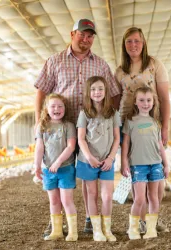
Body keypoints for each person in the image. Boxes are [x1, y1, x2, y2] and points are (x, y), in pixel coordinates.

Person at [34, 18, 121, 236]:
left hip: (89, 132)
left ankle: (90, 219)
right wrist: (39, 122)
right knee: (59, 176)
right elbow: (42, 92)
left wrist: (110, 121)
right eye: (82, 34)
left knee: (86, 176)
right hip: (59, 130)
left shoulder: (100, 64)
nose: (86, 39)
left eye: (90, 35)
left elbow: (114, 92)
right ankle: (57, 223)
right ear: (72, 34)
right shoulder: (54, 61)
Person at [115, 27, 170, 233]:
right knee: (137, 177)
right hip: (129, 127)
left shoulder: (155, 65)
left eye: (137, 41)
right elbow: (114, 101)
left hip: (153, 126)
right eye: (129, 41)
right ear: (124, 45)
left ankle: (152, 219)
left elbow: (164, 98)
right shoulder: (120, 70)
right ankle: (143, 222)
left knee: (158, 182)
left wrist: (165, 126)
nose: (133, 45)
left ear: (143, 42)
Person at [121, 86, 169, 240]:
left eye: (149, 100)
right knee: (140, 198)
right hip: (138, 164)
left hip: (155, 164)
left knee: (154, 197)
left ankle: (151, 228)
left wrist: (166, 164)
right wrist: (124, 162)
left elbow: (160, 144)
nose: (146, 103)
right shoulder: (130, 121)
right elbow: (126, 144)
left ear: (153, 102)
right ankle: (133, 228)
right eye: (141, 100)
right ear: (135, 102)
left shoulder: (155, 122)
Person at [76, 76, 121, 241]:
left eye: (100, 88)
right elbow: (81, 139)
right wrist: (89, 157)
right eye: (93, 89)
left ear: (106, 91)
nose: (97, 92)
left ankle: (107, 229)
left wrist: (110, 158)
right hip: (88, 160)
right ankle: (97, 230)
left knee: (107, 196)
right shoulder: (84, 114)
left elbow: (117, 138)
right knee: (92, 194)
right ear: (88, 92)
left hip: (107, 161)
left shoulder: (113, 114)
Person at [34, 93, 78, 241]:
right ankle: (57, 231)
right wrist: (37, 166)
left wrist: (58, 162)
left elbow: (71, 146)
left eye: (60, 106)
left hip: (65, 168)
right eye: (53, 106)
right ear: (46, 108)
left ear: (65, 108)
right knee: (54, 201)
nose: (57, 109)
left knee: (66, 200)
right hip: (48, 170)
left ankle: (73, 231)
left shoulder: (68, 126)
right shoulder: (42, 126)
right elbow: (39, 147)